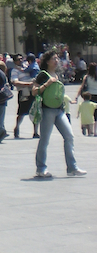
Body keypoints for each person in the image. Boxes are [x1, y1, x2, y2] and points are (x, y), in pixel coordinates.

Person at [32, 50, 86, 179]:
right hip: (47, 110)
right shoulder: (43, 75)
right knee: (45, 139)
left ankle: (72, 167)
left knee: (69, 136)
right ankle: (41, 168)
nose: (56, 61)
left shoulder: (58, 74)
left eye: (57, 58)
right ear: (47, 61)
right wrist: (47, 84)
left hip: (60, 109)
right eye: (54, 59)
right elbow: (34, 91)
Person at [11, 55, 39, 138]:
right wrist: (28, 84)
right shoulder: (15, 71)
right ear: (15, 61)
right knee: (22, 112)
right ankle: (17, 128)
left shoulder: (27, 67)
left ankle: (35, 132)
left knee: (35, 111)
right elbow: (15, 82)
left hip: (32, 91)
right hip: (24, 93)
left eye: (21, 59)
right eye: (18, 59)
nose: (21, 60)